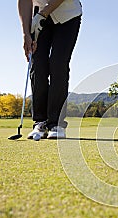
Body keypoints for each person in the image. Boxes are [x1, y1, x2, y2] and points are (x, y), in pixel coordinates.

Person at [18, 0, 82, 139]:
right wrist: (26, 34)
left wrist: (43, 14)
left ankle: (56, 123)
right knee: (38, 65)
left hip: (68, 15)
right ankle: (39, 122)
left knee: (58, 64)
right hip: (39, 14)